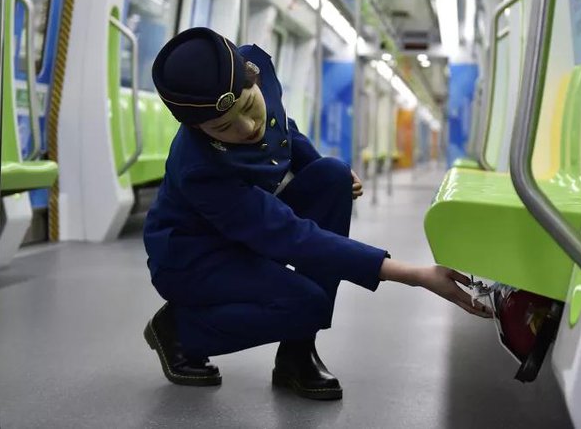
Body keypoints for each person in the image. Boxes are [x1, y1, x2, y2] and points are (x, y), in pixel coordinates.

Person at [142, 27, 490, 401]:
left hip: (241, 231)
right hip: (193, 258)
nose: (247, 127)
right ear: (196, 128)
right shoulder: (199, 169)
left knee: (332, 177)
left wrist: (317, 164)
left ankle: (296, 355)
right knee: (307, 304)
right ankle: (179, 331)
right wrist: (415, 275)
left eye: (248, 106)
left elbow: (282, 126)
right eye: (223, 127)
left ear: (253, 78)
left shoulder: (256, 66)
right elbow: (290, 236)